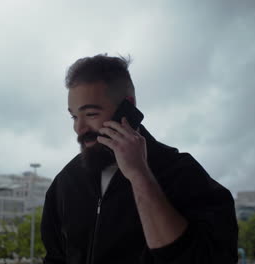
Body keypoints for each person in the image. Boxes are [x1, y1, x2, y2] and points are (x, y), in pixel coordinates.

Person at [41, 54, 238, 264]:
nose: (78, 129)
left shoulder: (182, 173)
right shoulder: (66, 181)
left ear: (128, 106)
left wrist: (139, 175)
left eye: (90, 114)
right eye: (74, 116)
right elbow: (55, 258)